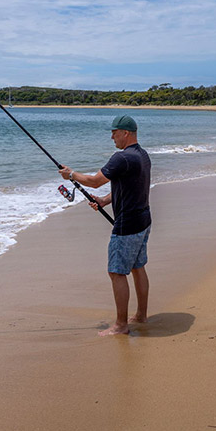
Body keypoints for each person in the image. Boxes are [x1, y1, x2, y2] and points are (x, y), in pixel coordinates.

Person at [58, 115, 152, 336]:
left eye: (114, 132)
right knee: (138, 267)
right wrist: (104, 201)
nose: (111, 137)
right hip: (143, 220)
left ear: (125, 133)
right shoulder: (142, 155)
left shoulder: (121, 158)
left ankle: (121, 325)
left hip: (127, 224)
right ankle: (141, 315)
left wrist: (70, 174)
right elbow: (129, 187)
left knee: (116, 272)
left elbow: (94, 181)